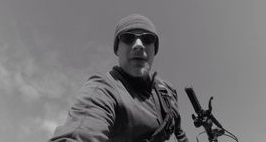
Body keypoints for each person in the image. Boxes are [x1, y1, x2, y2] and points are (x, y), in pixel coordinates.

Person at [50, 14, 189, 142]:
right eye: (128, 38)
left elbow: (179, 131)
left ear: (154, 49)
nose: (139, 45)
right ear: (117, 49)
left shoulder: (168, 92)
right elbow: (79, 134)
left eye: (147, 39)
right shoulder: (103, 89)